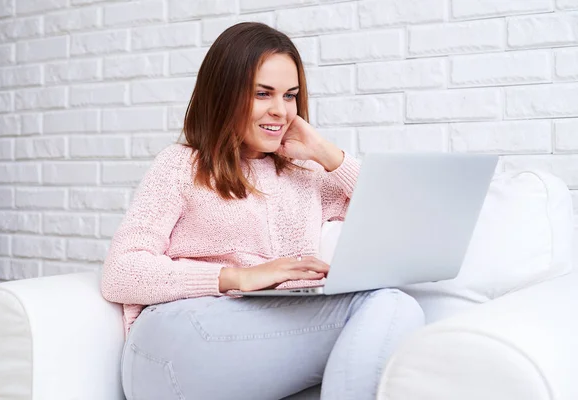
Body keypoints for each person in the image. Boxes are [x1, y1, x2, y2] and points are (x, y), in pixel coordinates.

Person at [101, 22, 424, 400]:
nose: (280, 111)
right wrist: (238, 277)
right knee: (389, 306)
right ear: (224, 94)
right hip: (172, 341)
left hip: (261, 332)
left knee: (391, 310)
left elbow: (400, 218)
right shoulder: (181, 165)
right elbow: (120, 272)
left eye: (290, 96)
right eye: (262, 94)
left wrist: (328, 155)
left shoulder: (307, 174)